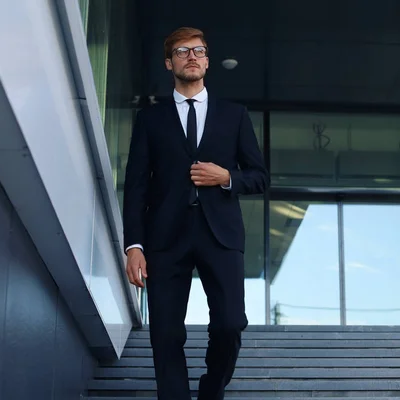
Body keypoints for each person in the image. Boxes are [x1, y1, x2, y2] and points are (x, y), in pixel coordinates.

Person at [122, 27, 269, 400]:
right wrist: (134, 246)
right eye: (183, 51)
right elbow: (136, 186)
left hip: (220, 235)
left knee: (231, 323)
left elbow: (259, 177)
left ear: (206, 61)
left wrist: (226, 177)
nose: (192, 56)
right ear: (169, 62)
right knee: (166, 333)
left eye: (199, 51)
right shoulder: (150, 120)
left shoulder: (234, 115)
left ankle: (210, 391)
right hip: (165, 238)